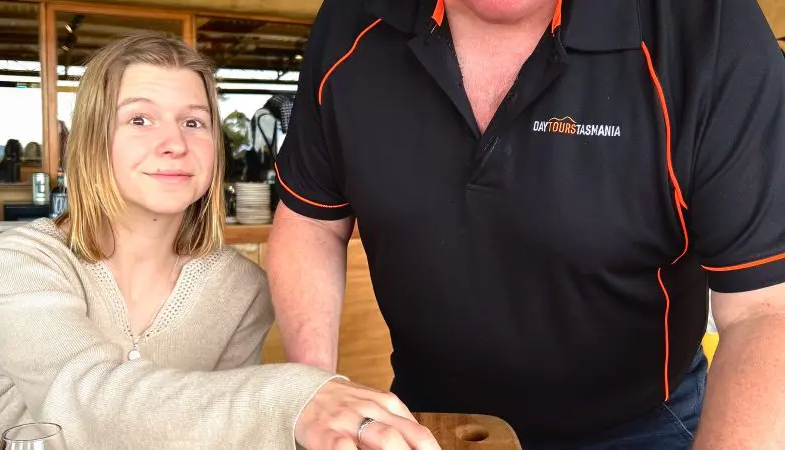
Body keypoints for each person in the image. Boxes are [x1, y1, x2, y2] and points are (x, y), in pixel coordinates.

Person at [268, 0, 785, 448]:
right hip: (428, 422)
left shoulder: (705, 28)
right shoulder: (352, 21)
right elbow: (311, 219)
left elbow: (766, 310)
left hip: (641, 426)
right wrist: (313, 391)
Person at [0, 32, 440, 450]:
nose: (174, 143)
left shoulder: (239, 290)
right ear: (90, 141)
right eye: (140, 119)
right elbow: (82, 399)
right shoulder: (18, 265)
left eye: (194, 122)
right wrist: (296, 398)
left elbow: (215, 437)